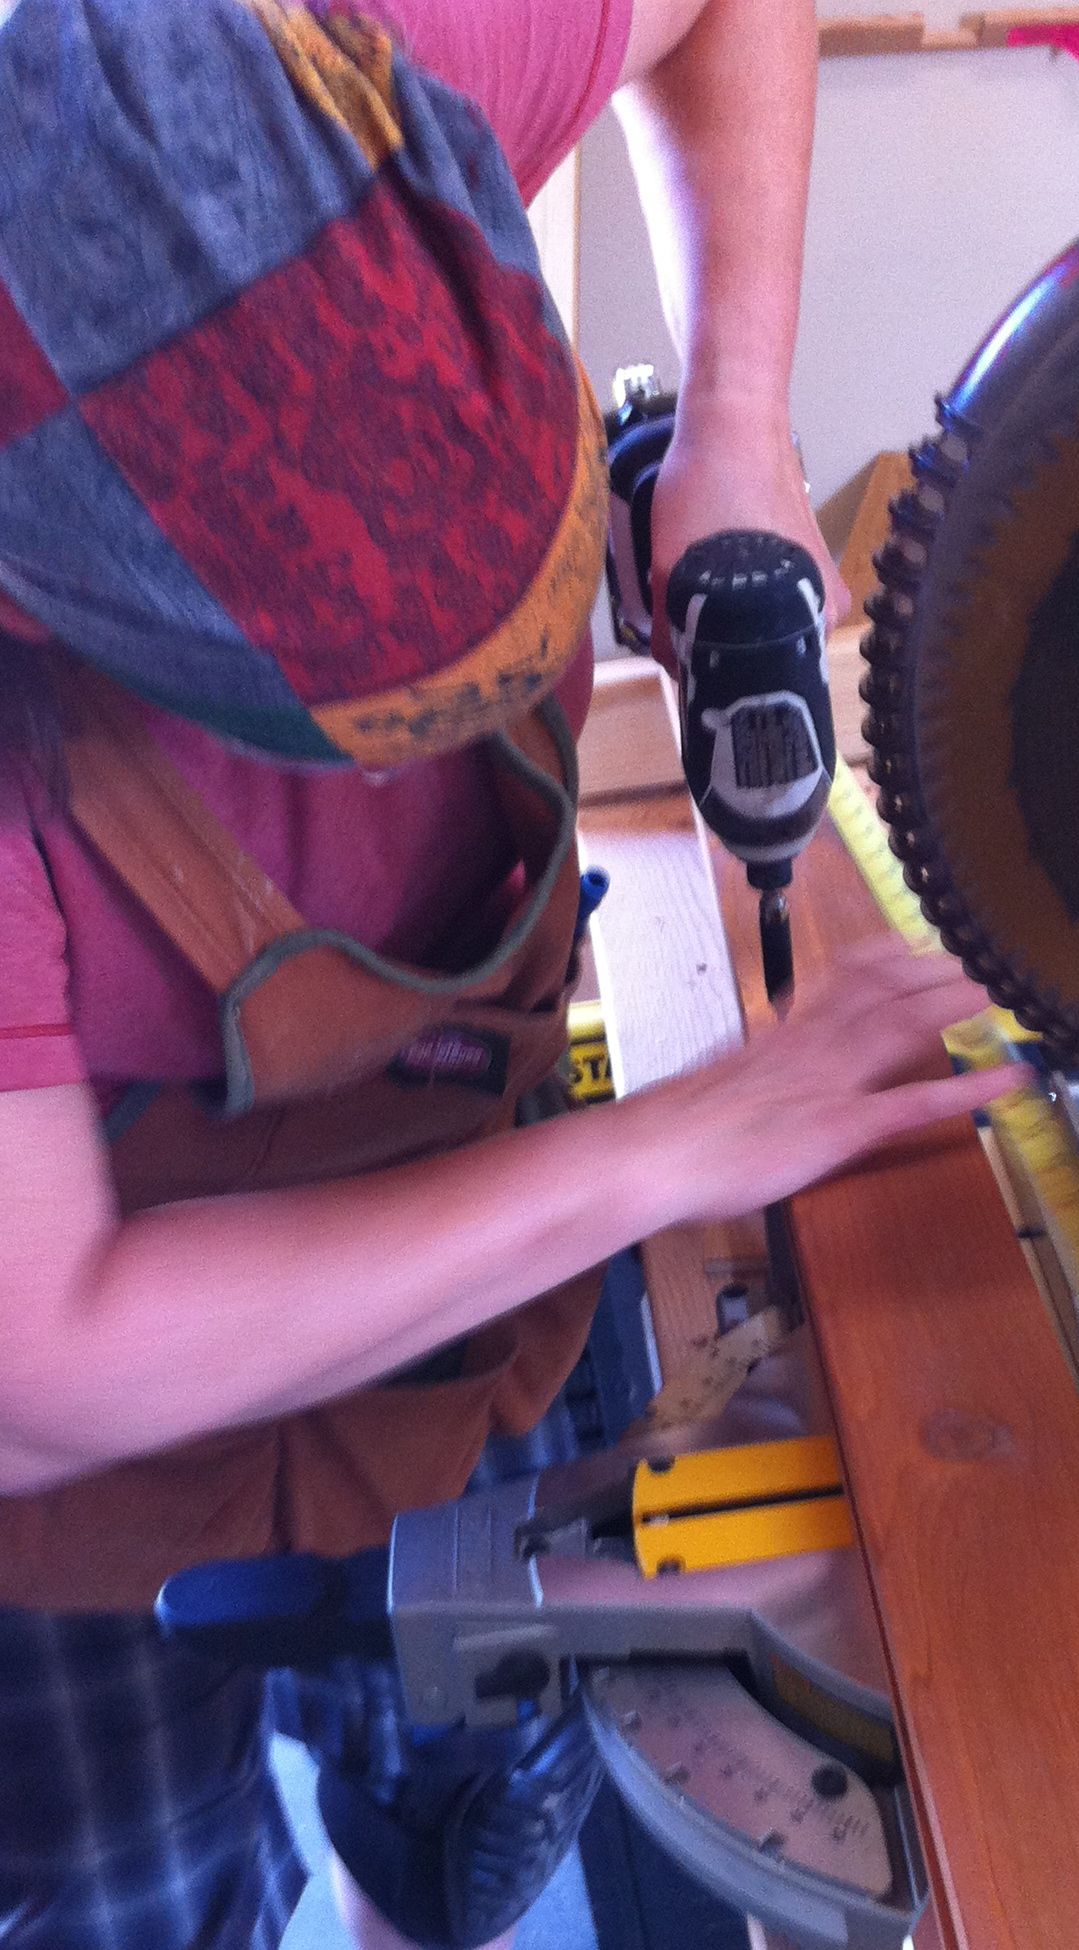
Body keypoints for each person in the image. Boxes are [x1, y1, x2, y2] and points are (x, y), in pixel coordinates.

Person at [0, 1, 1024, 1945]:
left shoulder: (295, 91)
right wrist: (681, 1143)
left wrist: (729, 429)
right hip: (67, 1502)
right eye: (364, 732)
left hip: (469, 1218)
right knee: (138, 1898)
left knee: (480, 1774)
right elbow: (42, 1366)